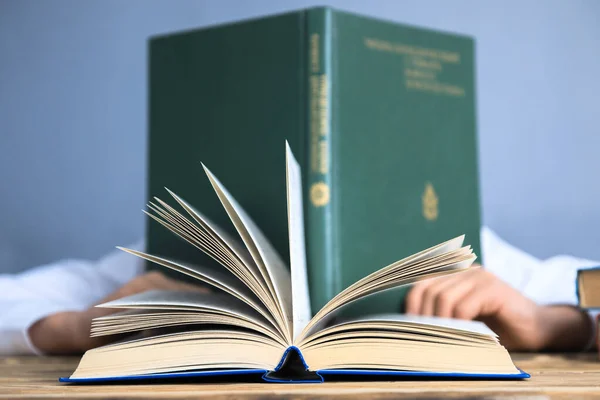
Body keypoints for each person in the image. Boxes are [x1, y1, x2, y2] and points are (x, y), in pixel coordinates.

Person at [0, 226, 598, 355]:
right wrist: (69, 328)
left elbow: (583, 290)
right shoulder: (174, 255)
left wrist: (558, 324)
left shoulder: (463, 249)